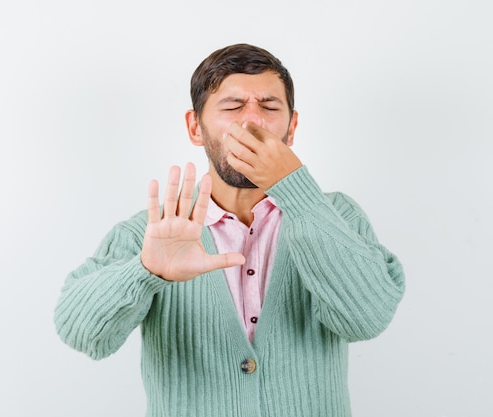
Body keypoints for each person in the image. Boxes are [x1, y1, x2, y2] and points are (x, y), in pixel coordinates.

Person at [54, 43, 405, 417]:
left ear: (292, 127)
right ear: (195, 128)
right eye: (233, 107)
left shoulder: (336, 215)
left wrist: (299, 195)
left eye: (269, 107)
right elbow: (83, 334)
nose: (251, 122)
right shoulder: (152, 230)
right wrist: (145, 272)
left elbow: (366, 318)